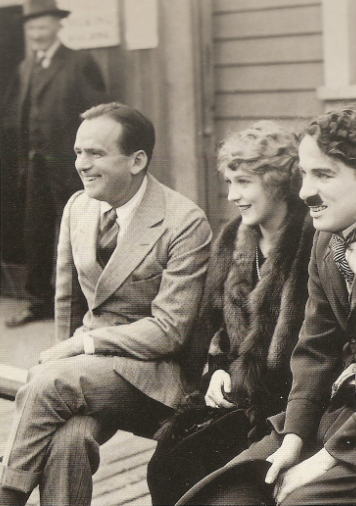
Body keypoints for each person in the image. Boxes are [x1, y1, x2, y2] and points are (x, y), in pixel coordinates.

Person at [177, 105, 356, 505]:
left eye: (323, 175)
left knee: (295, 501)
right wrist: (294, 439)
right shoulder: (326, 240)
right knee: (227, 496)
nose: (304, 192)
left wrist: (324, 462)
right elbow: (315, 349)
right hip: (334, 416)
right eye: (304, 174)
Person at [0, 102, 212, 506]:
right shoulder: (79, 207)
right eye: (79, 152)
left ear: (137, 161)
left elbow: (169, 330)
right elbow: (66, 300)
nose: (82, 164)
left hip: (155, 374)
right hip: (88, 371)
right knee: (68, 439)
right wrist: (62, 354)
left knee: (47, 384)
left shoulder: (183, 222)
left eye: (96, 153)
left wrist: (82, 348)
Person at [146, 121, 315, 505]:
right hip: (239, 397)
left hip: (292, 406)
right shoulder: (231, 238)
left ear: (275, 181)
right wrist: (219, 367)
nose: (232, 195)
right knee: (167, 464)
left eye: (243, 183)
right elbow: (219, 325)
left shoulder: (313, 239)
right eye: (229, 183)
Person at [4, 0, 107, 327]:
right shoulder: (26, 67)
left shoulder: (79, 62)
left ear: (57, 27)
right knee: (35, 233)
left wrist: (92, 161)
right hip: (35, 168)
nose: (36, 33)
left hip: (72, 169)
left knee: (80, 235)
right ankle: (38, 302)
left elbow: (100, 116)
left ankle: (83, 308)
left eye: (43, 26)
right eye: (31, 28)